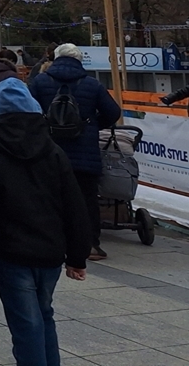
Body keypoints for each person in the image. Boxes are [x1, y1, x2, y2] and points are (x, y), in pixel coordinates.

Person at [0, 78, 89, 366]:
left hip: (10, 250)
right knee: (44, 315)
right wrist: (78, 255)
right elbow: (74, 205)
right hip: (50, 249)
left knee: (26, 323)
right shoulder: (52, 150)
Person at [28, 43, 121, 261]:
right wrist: (92, 126)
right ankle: (90, 245)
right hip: (84, 152)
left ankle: (52, 242)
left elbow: (28, 111)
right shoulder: (92, 84)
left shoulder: (40, 81)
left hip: (48, 150)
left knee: (50, 198)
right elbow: (113, 112)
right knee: (87, 199)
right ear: (79, 60)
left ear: (56, 58)